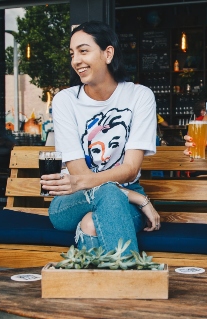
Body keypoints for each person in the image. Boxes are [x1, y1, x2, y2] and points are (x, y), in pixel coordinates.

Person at [42, 21, 160, 255]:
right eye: (72, 53)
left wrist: (126, 192)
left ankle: (101, 288)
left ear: (108, 53)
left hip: (122, 197)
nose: (76, 60)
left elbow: (129, 169)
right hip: (71, 200)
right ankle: (135, 283)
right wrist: (137, 197)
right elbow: (78, 177)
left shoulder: (139, 96)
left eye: (83, 51)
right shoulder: (65, 101)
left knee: (90, 224)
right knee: (107, 193)